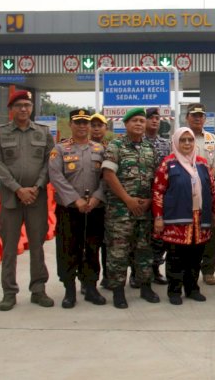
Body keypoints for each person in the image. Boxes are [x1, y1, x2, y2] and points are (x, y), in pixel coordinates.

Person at [0, 90, 55, 311]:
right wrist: (18, 189)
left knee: (37, 246)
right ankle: (9, 293)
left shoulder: (44, 133)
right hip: (10, 199)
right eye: (19, 105)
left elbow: (49, 163)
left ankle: (38, 290)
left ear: (32, 108)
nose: (24, 109)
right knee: (9, 248)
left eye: (27, 105)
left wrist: (36, 187)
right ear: (11, 109)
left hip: (37, 198)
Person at [152, 127, 215, 305]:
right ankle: (174, 291)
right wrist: (158, 217)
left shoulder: (202, 163)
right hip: (177, 220)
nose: (187, 143)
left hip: (200, 220)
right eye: (183, 140)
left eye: (190, 140)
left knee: (195, 257)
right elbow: (158, 192)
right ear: (176, 142)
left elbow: (213, 190)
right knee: (175, 257)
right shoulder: (168, 164)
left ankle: (192, 289)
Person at [101, 107, 160, 308]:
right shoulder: (115, 146)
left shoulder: (150, 148)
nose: (138, 124)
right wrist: (128, 200)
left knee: (144, 250)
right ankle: (118, 291)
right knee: (118, 251)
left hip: (144, 210)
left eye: (141, 121)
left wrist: (150, 201)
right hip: (120, 211)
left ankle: (145, 286)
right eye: (134, 120)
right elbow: (109, 175)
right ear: (125, 124)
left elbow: (157, 178)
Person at [48, 109, 107, 308]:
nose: (82, 126)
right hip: (69, 209)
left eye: (85, 123)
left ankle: (90, 287)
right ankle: (69, 290)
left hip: (94, 208)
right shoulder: (60, 149)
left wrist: (97, 198)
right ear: (70, 125)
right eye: (78, 122)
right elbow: (55, 176)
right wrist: (75, 200)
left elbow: (106, 177)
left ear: (90, 126)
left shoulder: (100, 149)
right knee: (68, 248)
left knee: (92, 248)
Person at [186, 103, 215, 286]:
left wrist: (206, 180)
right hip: (185, 193)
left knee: (209, 231)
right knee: (187, 230)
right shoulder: (181, 138)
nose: (198, 118)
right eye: (194, 115)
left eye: (201, 115)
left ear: (205, 118)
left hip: (207, 191)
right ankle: (187, 270)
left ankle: (208, 271)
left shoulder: (211, 139)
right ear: (187, 118)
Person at [144, 107, 170, 286]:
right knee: (140, 236)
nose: (154, 121)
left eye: (157, 118)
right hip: (141, 195)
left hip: (161, 196)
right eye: (151, 118)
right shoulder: (138, 141)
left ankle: (155, 269)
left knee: (158, 236)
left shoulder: (165, 144)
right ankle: (138, 272)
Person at [89, 113, 111, 289]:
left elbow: (109, 177)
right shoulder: (75, 147)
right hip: (84, 205)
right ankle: (89, 279)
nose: (96, 128)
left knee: (107, 243)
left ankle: (108, 276)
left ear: (106, 128)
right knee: (90, 244)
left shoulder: (111, 148)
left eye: (100, 125)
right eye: (93, 125)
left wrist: (98, 196)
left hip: (106, 204)